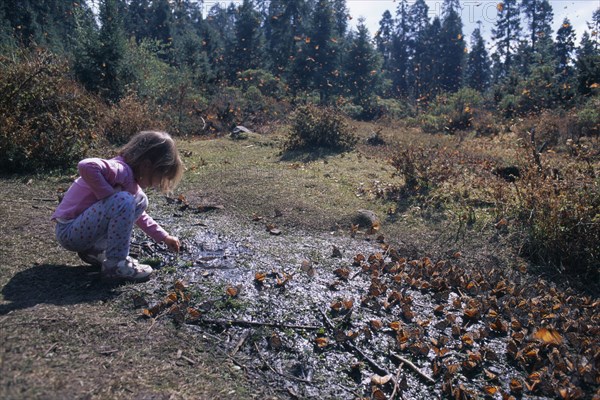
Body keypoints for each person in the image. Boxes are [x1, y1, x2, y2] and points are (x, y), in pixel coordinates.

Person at [52, 130, 184, 282]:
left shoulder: (130, 181)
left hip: (82, 231)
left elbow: (139, 216)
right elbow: (86, 166)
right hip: (69, 231)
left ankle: (96, 250)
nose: (155, 185)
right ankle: (116, 265)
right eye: (158, 178)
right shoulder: (120, 169)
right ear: (147, 166)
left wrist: (164, 237)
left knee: (140, 200)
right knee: (125, 200)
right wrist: (108, 196)